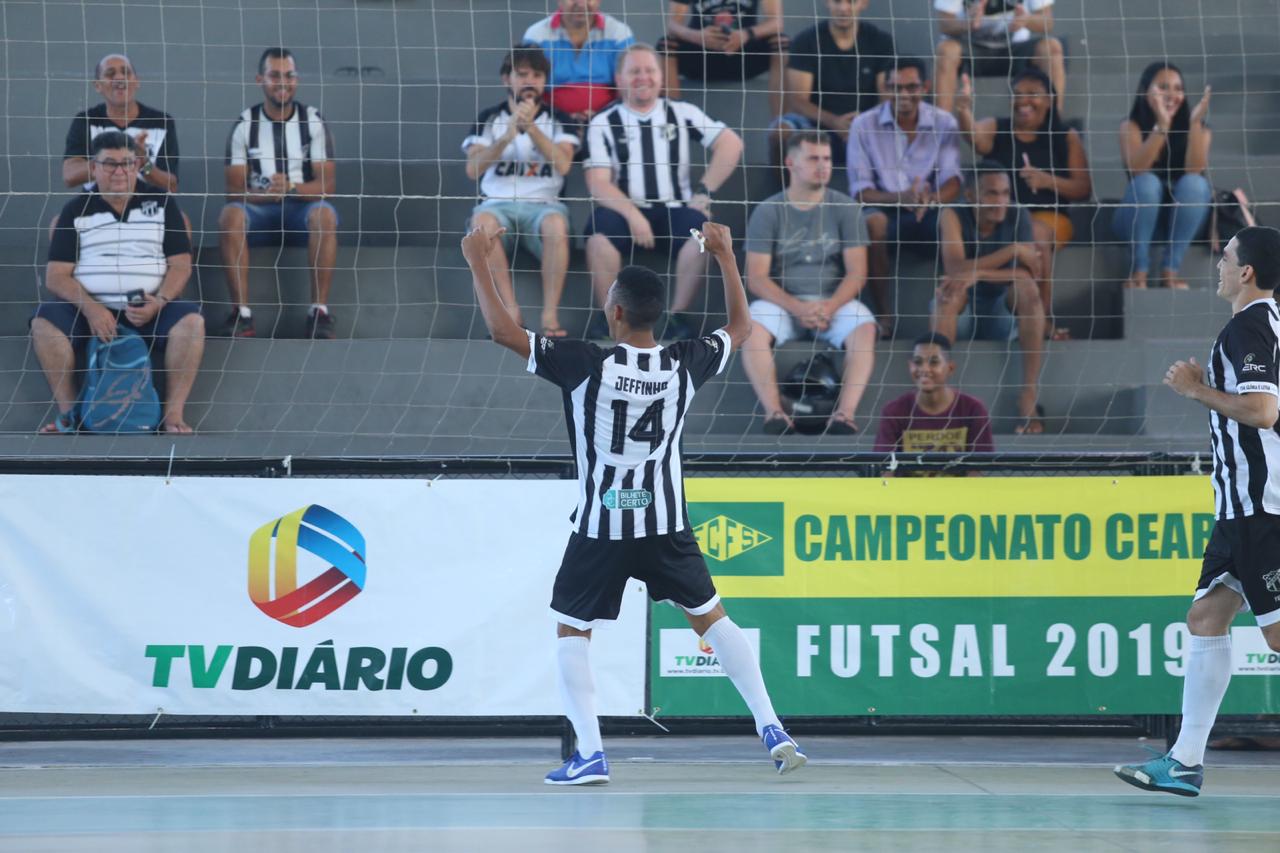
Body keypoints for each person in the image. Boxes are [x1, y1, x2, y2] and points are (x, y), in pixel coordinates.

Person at [460, 220, 807, 785]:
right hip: (665, 521)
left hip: (602, 524)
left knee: (573, 630)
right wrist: (722, 255)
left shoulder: (583, 363)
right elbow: (743, 326)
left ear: (614, 312)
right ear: (658, 315)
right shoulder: (683, 362)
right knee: (712, 618)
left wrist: (478, 259)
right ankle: (771, 726)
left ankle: (591, 753)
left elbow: (504, 330)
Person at [1115, 226, 1280, 797]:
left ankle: (1185, 760)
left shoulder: (1250, 326)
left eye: (1227, 257)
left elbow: (1261, 411)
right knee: (1207, 618)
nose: (1218, 264)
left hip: (1265, 506)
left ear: (1247, 274)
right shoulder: (1267, 324)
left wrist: (1195, 391)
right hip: (1242, 507)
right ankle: (1185, 762)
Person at [32, 131, 204, 435]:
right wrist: (92, 309)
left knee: (192, 323)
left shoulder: (163, 203)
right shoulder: (76, 209)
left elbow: (181, 264)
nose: (120, 171)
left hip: (148, 306)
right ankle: (71, 415)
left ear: (137, 164)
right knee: (43, 324)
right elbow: (56, 275)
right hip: (90, 309)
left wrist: (160, 301)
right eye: (110, 164)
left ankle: (172, 416)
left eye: (127, 163)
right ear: (94, 168)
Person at [584, 44, 744, 340]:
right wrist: (633, 215)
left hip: (675, 209)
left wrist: (704, 191)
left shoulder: (681, 112)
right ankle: (609, 318)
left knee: (702, 238)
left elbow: (731, 143)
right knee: (598, 239)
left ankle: (677, 317)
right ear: (619, 78)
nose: (643, 77)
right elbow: (597, 182)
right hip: (623, 210)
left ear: (660, 76)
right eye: (634, 71)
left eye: (649, 70)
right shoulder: (603, 122)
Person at [741, 131, 876, 435]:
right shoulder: (768, 210)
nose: (822, 165)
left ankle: (844, 415)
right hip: (782, 301)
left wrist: (829, 306)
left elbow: (857, 272)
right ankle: (774, 413)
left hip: (833, 301)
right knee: (750, 327)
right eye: (813, 158)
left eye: (827, 159)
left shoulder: (845, 207)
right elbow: (756, 277)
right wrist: (798, 308)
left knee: (865, 327)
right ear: (791, 162)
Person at [954, 67, 1091, 339]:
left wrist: (1047, 181)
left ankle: (1043, 316)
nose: (1023, 100)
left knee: (1037, 233)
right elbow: (975, 138)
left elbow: (1083, 188)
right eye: (1017, 94)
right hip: (1003, 219)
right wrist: (964, 111)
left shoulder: (1065, 136)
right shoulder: (998, 127)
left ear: (1050, 100)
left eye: (1033, 94)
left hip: (1050, 219)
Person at [219, 47, 338, 339]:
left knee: (324, 214)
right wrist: (267, 194)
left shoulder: (313, 121)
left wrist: (292, 188)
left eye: (289, 75)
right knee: (230, 215)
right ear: (260, 79)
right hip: (259, 210)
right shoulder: (245, 124)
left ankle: (318, 312)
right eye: (275, 75)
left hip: (301, 211)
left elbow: (327, 187)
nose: (282, 82)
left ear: (296, 79)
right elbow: (233, 190)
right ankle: (241, 314)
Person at [464, 45, 578, 338]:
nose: (529, 81)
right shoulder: (489, 117)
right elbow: (473, 169)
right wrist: (506, 137)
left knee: (556, 225)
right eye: (522, 74)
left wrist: (532, 129)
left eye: (537, 75)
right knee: (482, 224)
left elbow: (564, 165)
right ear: (506, 79)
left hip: (544, 206)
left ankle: (550, 315)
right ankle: (510, 309)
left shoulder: (559, 118)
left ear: (545, 81)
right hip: (496, 205)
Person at [848, 57, 962, 337]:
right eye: (895, 87)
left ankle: (952, 305)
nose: (903, 95)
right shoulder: (864, 124)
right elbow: (861, 191)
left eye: (911, 87)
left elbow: (953, 180)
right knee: (872, 222)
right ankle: (884, 315)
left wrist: (929, 200)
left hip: (930, 207)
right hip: (886, 207)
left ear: (925, 87)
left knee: (951, 219)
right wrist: (902, 198)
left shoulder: (944, 122)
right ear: (884, 88)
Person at [931, 164, 1045, 433]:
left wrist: (979, 272)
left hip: (1001, 314)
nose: (1001, 201)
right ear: (970, 196)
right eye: (992, 194)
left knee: (1027, 291)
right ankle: (936, 401)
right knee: (949, 292)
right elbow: (955, 270)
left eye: (1005, 193)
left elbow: (1030, 274)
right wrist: (1013, 251)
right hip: (962, 314)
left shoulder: (1018, 215)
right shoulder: (952, 214)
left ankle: (1028, 396)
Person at [1112, 62, 1213, 291]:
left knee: (1195, 184)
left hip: (1181, 223)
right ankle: (1139, 270)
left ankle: (1171, 269)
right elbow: (1137, 169)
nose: (1172, 95)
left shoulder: (1200, 129)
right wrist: (1162, 125)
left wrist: (1194, 123)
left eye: (1178, 88)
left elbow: (1194, 170)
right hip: (1138, 219)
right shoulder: (1131, 126)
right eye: (1163, 87)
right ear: (1145, 90)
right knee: (1146, 182)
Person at [772, 0, 895, 170]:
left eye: (851, 2)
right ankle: (786, 195)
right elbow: (798, 100)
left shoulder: (880, 41)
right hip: (816, 124)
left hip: (865, 122)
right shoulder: (806, 41)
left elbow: (886, 98)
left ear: (864, 3)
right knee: (780, 131)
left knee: (894, 127)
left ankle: (881, 194)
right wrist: (835, 122)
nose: (843, 8)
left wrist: (861, 123)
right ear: (827, 2)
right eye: (837, 1)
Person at [874, 332, 994, 471]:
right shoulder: (894, 411)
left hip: (959, 492)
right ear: (910, 366)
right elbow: (885, 470)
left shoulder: (973, 409)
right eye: (918, 362)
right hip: (907, 492)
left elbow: (976, 472)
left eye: (934, 362)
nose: (924, 369)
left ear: (950, 368)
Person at [63, 54, 180, 194]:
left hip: (146, 208)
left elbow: (171, 186)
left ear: (136, 82)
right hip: (96, 207)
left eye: (126, 72)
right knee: (58, 218)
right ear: (97, 85)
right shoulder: (86, 120)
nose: (119, 78)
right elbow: (69, 176)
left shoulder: (161, 122)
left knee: (182, 217)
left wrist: (143, 163)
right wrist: (109, 161)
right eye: (110, 74)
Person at [933, 0, 1066, 114]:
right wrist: (966, 23)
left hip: (1015, 49)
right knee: (946, 50)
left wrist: (1026, 20)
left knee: (1051, 48)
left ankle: (1054, 125)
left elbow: (1047, 21)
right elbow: (944, 23)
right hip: (970, 49)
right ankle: (942, 133)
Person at [659, 1, 788, 117]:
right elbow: (672, 25)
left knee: (781, 42)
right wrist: (697, 36)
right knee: (667, 45)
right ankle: (673, 124)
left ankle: (782, 126)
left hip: (743, 52)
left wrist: (746, 34)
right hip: (702, 54)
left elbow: (776, 23)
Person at [523, 0, 636, 127]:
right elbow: (528, 88)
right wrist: (561, 118)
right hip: (550, 123)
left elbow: (628, 87)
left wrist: (602, 117)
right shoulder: (536, 35)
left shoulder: (619, 33)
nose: (581, 3)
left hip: (609, 123)